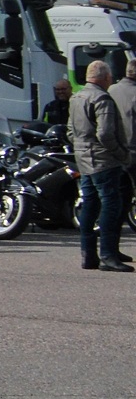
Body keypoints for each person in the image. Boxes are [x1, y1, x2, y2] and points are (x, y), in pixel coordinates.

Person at [69, 61, 129, 271]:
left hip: (84, 159)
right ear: (106, 78)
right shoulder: (102, 98)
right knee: (111, 204)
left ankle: (88, 254)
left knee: (90, 204)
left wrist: (82, 148)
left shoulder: (76, 97)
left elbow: (70, 131)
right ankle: (108, 255)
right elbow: (105, 133)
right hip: (103, 160)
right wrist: (121, 154)